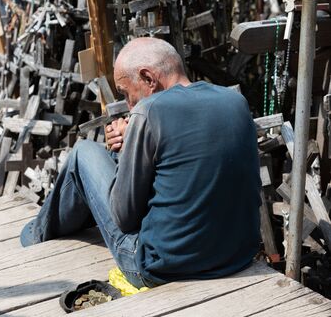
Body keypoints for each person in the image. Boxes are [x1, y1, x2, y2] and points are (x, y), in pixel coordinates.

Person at [20, 37, 261, 288]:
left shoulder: (149, 110)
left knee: (84, 152)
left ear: (148, 78)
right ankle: (56, 223)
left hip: (162, 266)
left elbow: (124, 218)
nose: (128, 105)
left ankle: (37, 233)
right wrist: (132, 139)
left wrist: (130, 142)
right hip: (237, 257)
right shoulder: (234, 100)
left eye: (126, 93)